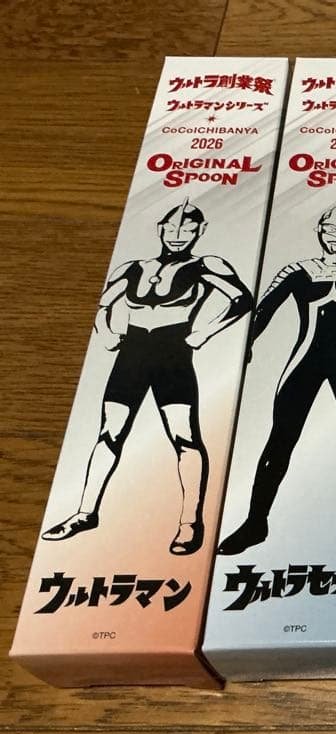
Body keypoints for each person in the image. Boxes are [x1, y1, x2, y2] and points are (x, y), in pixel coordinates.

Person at [43, 201, 252, 555]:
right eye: (172, 228)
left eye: (188, 229)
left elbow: (241, 299)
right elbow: (102, 304)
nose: (178, 235)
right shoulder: (132, 268)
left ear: (200, 231)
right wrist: (106, 332)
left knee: (184, 436)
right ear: (160, 229)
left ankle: (189, 522)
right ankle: (84, 513)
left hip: (173, 354)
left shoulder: (205, 265)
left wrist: (204, 332)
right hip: (131, 354)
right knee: (109, 433)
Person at [217, 197, 336, 555]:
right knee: (280, 439)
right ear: (319, 231)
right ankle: (255, 522)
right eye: (331, 229)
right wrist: (244, 346)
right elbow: (263, 310)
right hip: (304, 362)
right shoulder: (297, 271)